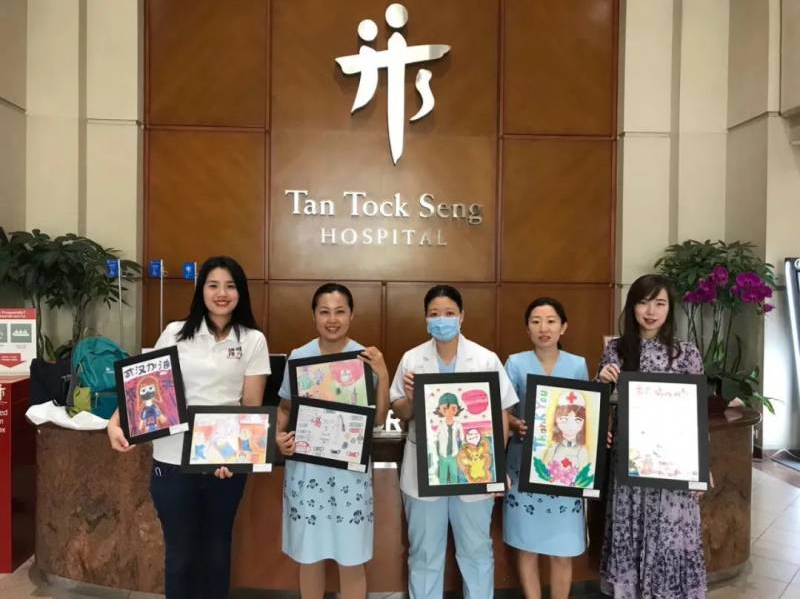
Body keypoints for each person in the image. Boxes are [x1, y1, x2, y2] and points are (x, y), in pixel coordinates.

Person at [107, 256, 270, 599]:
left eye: (230, 286)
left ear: (241, 292)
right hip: (172, 460)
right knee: (180, 557)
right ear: (202, 291)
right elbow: (145, 384)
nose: (222, 293)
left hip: (223, 461)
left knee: (216, 552)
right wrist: (116, 421)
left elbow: (251, 405)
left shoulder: (253, 340)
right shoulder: (175, 333)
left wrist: (237, 457)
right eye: (213, 285)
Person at [389, 284, 519, 599]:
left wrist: (495, 464)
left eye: (449, 313)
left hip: (475, 469)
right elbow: (400, 411)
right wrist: (410, 398)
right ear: (425, 318)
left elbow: (502, 413)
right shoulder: (412, 359)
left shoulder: (485, 359)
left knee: (476, 551)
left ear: (462, 316)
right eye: (434, 314)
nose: (442, 320)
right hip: (425, 470)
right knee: (424, 554)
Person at [275, 282, 390, 599]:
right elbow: (285, 408)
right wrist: (279, 438)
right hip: (307, 471)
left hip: (349, 475)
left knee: (351, 558)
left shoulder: (365, 358)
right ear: (314, 316)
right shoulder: (300, 357)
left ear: (351, 315)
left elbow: (379, 418)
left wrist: (383, 374)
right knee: (309, 556)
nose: (332, 319)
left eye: (340, 311)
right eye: (324, 312)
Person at [597, 274, 706, 598]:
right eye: (643, 302)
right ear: (632, 306)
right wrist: (601, 381)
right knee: (631, 530)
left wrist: (702, 467)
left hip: (673, 467)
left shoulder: (686, 353)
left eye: (659, 303)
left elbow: (696, 413)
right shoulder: (616, 350)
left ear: (670, 309)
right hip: (628, 467)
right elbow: (597, 407)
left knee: (671, 535)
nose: (651, 311)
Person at [503, 297, 589, 599]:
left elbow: (587, 412)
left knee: (562, 551)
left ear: (563, 327)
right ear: (527, 328)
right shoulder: (515, 363)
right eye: (536, 321)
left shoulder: (577, 365)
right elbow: (503, 412)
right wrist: (516, 423)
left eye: (551, 321)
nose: (544, 328)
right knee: (527, 547)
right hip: (523, 464)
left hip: (566, 469)